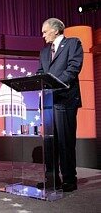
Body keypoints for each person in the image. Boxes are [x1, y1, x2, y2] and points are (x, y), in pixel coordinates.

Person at [37, 18, 83, 192]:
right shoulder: (43, 52)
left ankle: (69, 179)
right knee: (49, 142)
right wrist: (38, 80)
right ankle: (51, 178)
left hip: (65, 100)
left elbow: (73, 68)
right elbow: (40, 73)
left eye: (44, 31)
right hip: (48, 102)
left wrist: (54, 83)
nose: (42, 35)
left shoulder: (73, 44)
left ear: (55, 30)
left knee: (65, 141)